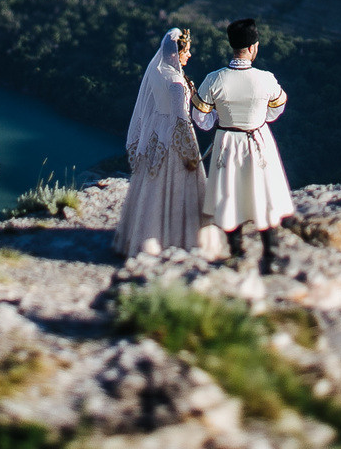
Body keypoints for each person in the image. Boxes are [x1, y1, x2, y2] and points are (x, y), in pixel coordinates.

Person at [191, 17, 293, 272]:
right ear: (252, 48)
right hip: (258, 140)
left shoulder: (214, 79)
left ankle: (237, 253)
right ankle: (270, 256)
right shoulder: (266, 79)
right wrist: (258, 119)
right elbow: (276, 108)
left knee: (229, 194)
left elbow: (201, 118)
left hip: (227, 141)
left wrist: (222, 119)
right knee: (263, 193)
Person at [112, 27, 207, 258]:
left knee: (151, 186)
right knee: (175, 186)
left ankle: (142, 233)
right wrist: (189, 152)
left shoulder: (156, 71)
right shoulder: (175, 80)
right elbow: (179, 117)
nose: (189, 56)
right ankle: (174, 237)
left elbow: (152, 108)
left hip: (155, 134)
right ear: (176, 52)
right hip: (173, 134)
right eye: (187, 51)